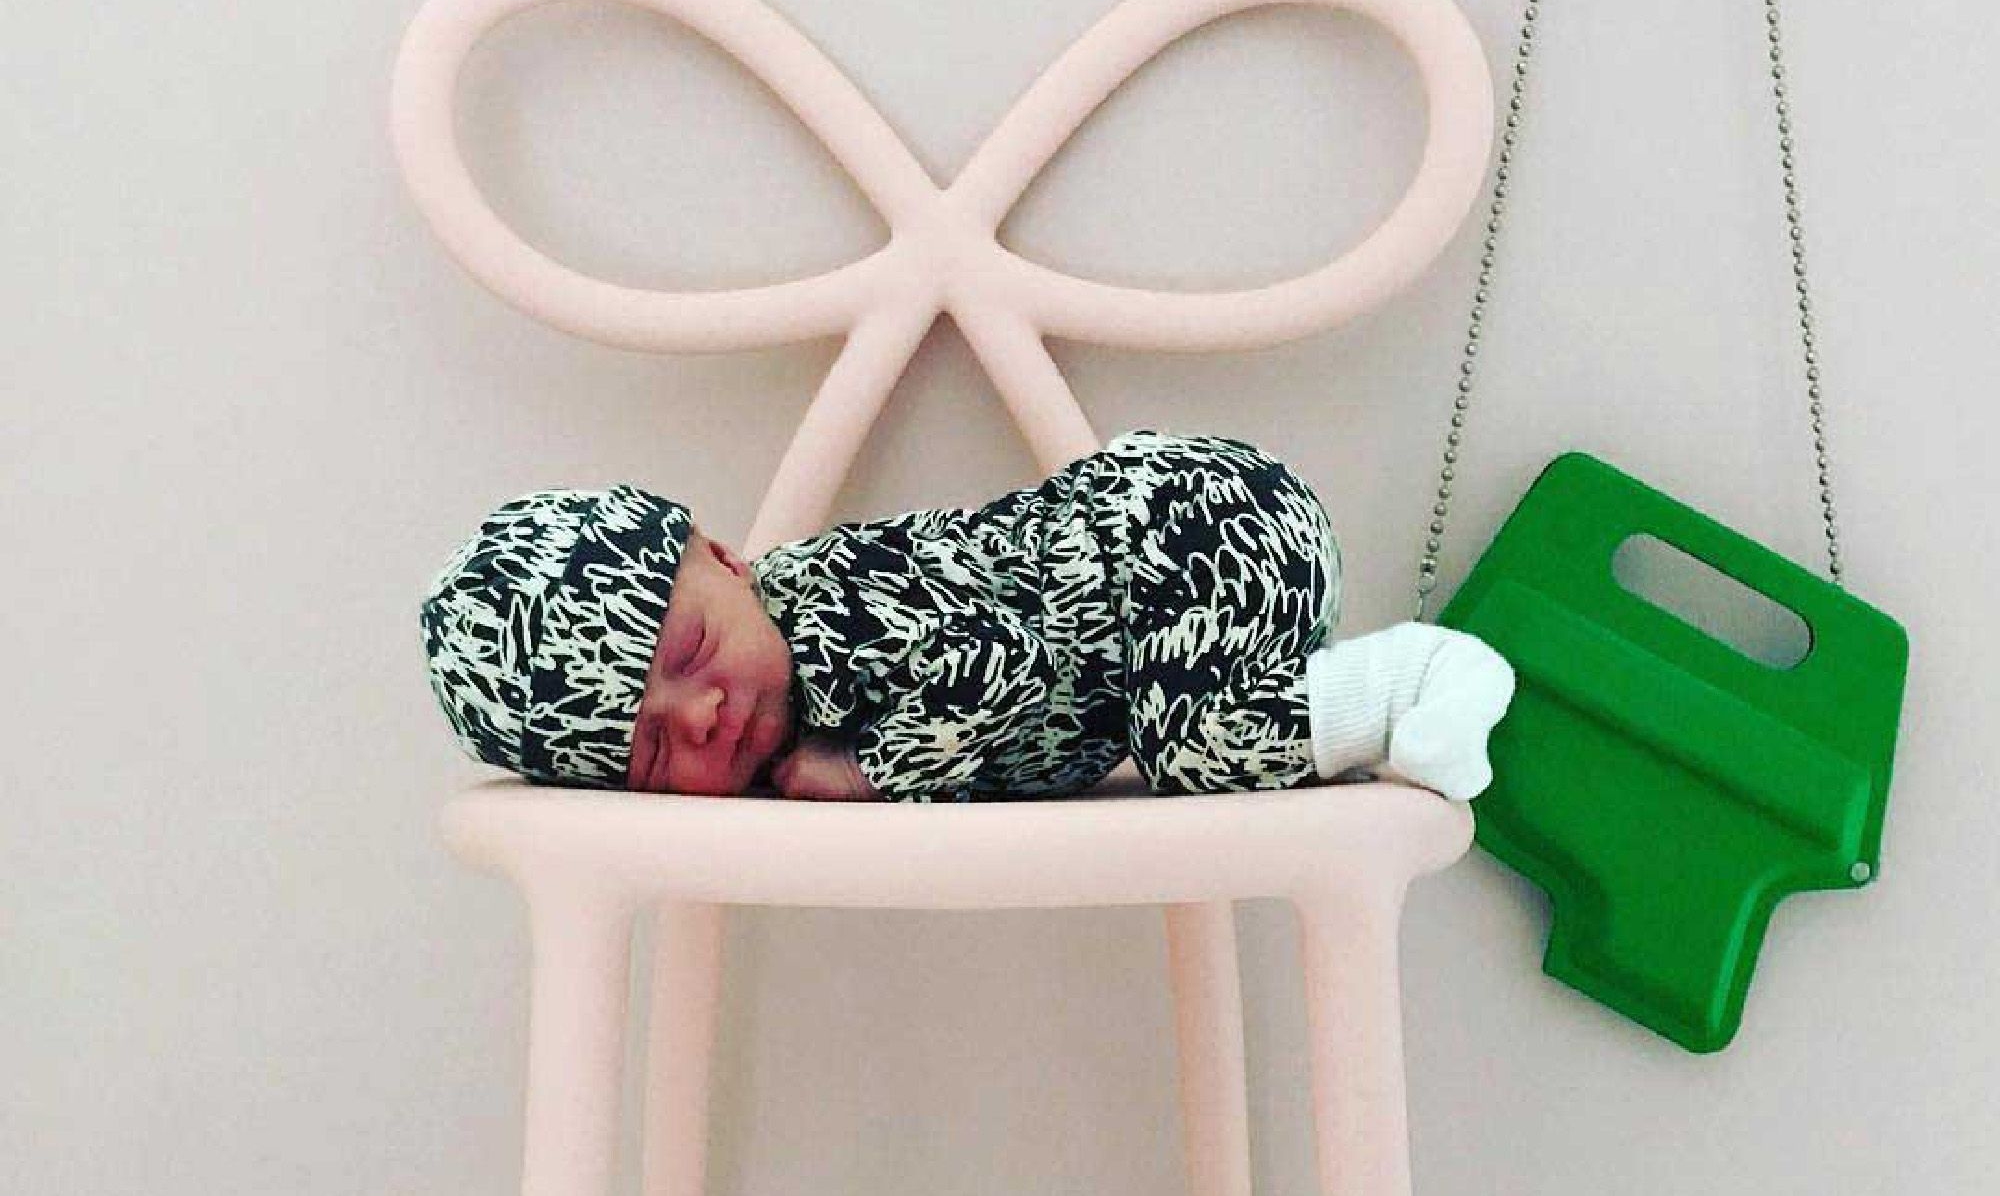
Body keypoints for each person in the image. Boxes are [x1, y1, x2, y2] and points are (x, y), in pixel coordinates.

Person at [418, 429, 1515, 804]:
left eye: (691, 649)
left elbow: (1002, 658)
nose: (702, 712)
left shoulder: (831, 607)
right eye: (656, 749)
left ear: (725, 559)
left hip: (1184, 530)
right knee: (1194, 726)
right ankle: (1365, 696)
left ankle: (1424, 679)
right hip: (1163, 590)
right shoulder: (775, 678)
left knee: (1196, 746)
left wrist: (870, 771)